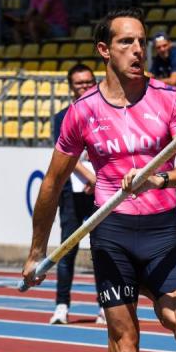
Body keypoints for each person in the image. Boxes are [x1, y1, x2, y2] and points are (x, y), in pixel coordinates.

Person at [21, 8, 176, 352]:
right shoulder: (83, 111)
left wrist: (159, 180)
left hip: (162, 233)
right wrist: (37, 251)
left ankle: (153, 288)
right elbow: (53, 184)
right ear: (104, 50)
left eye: (141, 41)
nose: (138, 50)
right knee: (125, 351)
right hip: (113, 235)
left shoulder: (169, 98)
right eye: (127, 42)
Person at [49, 63, 101, 325]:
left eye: (88, 82)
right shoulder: (62, 117)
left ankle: (106, 305)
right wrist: (90, 176)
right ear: (71, 86)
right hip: (72, 192)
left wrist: (100, 179)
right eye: (79, 83)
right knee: (66, 250)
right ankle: (61, 305)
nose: (84, 86)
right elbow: (65, 157)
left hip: (102, 193)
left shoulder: (106, 113)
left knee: (103, 250)